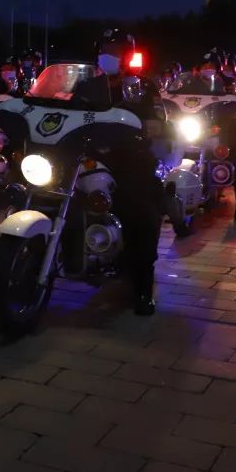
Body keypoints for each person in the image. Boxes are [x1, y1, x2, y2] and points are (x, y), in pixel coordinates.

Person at [94, 30, 167, 316]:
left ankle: (142, 288)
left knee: (141, 214)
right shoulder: (86, 85)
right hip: (89, 159)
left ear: (128, 54)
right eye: (106, 49)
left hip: (131, 160)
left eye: (116, 50)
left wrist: (148, 126)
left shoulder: (143, 87)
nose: (110, 55)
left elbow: (158, 121)